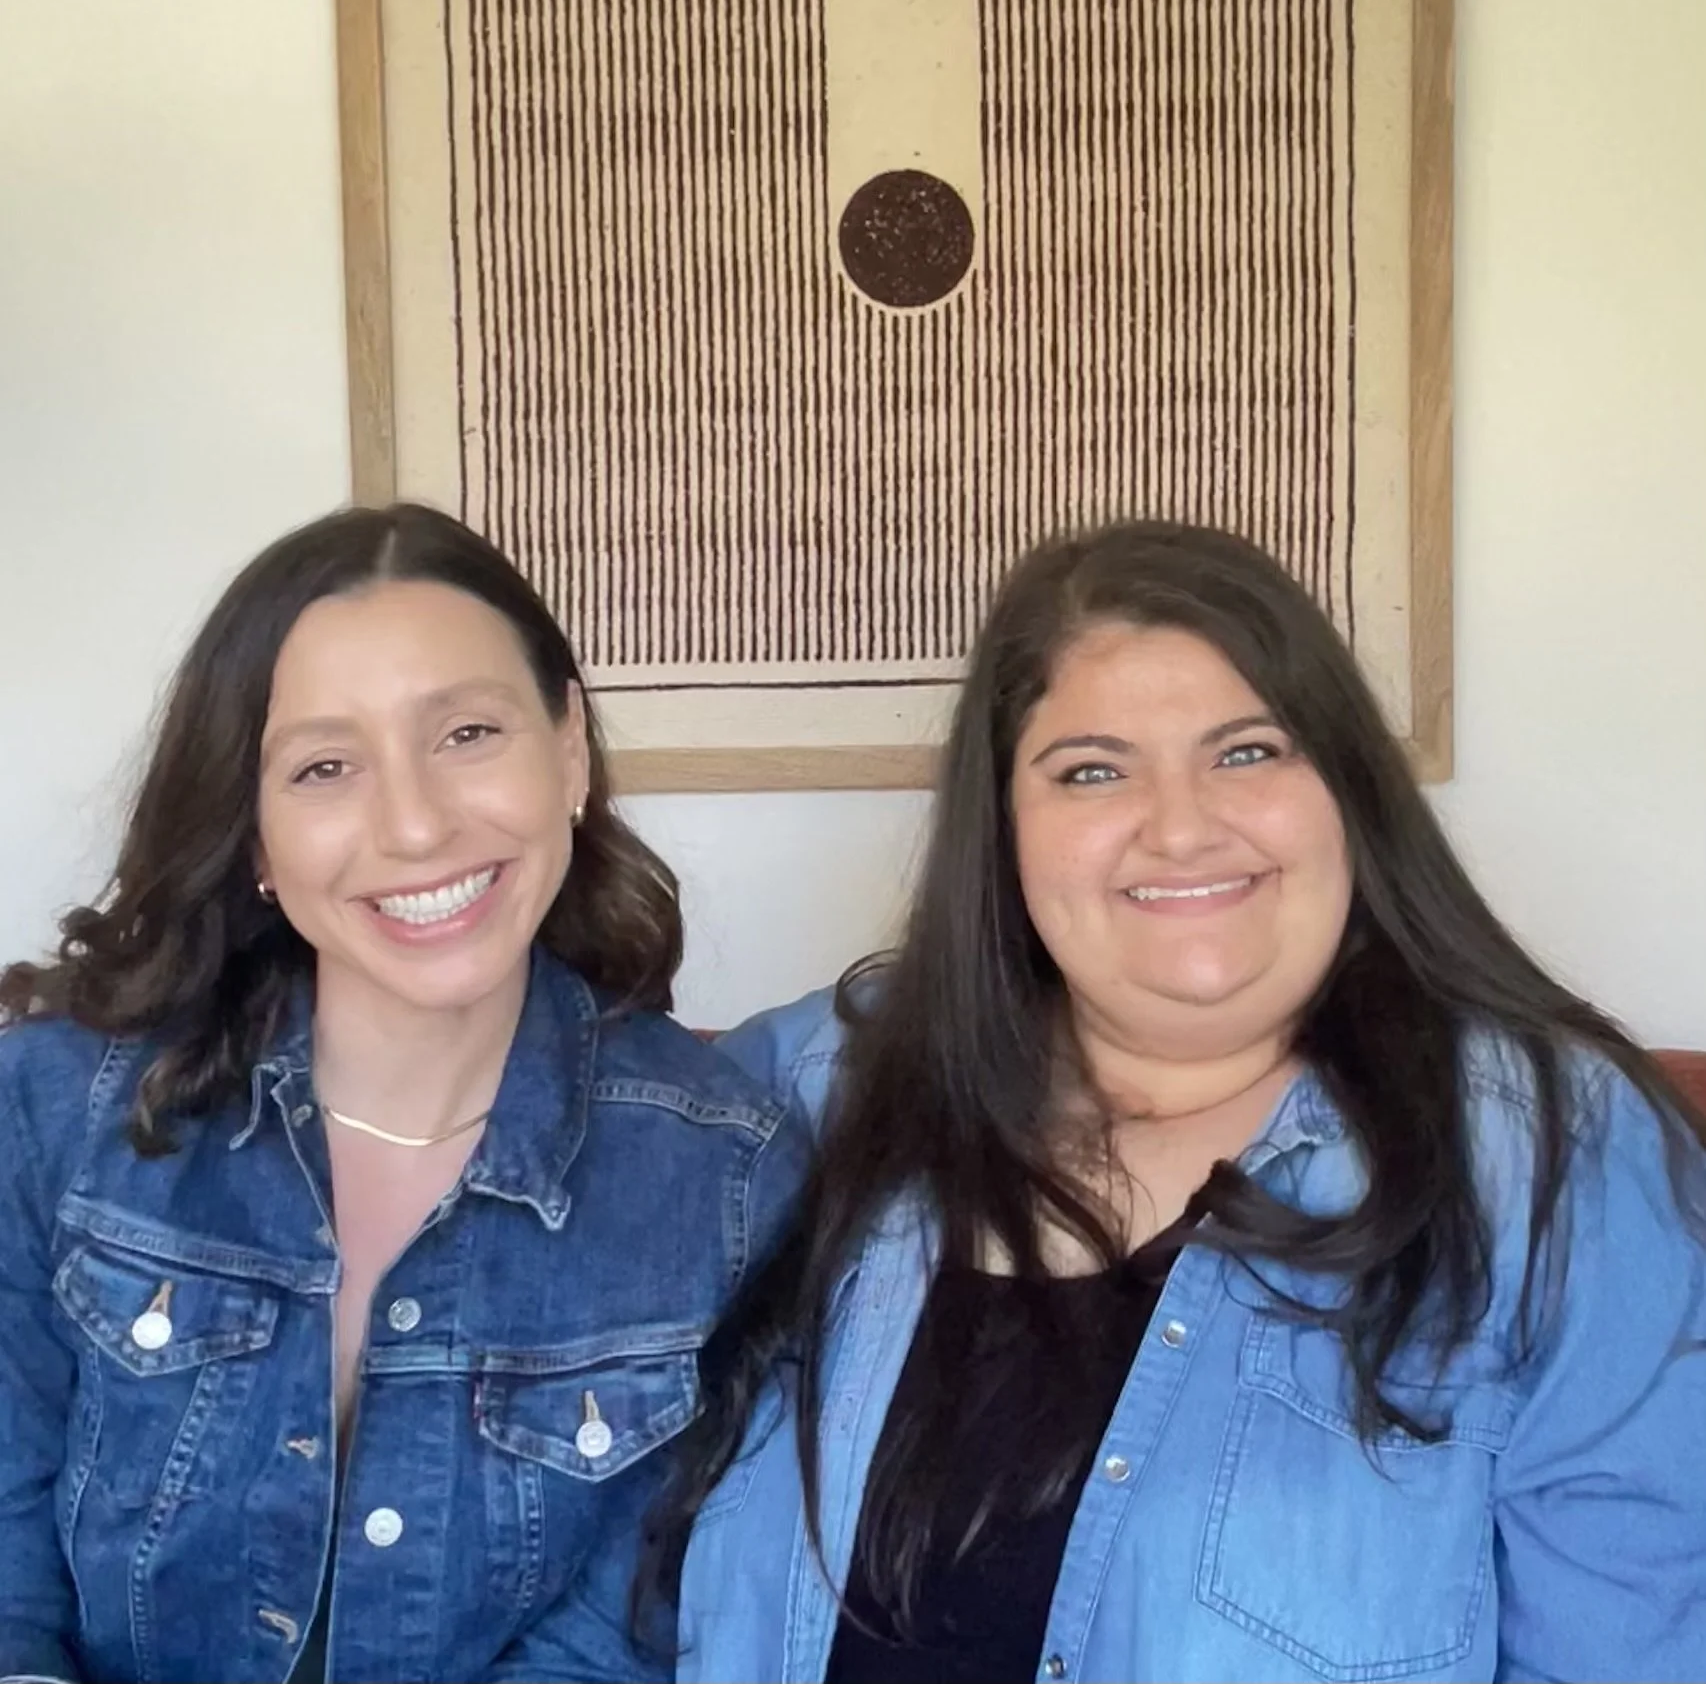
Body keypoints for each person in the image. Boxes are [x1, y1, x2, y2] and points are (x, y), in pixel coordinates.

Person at [659, 519, 1706, 1683]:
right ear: (1003, 828)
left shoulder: (1550, 1150)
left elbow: (1633, 1642)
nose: (1179, 825)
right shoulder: (813, 1088)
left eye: (1246, 752)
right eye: (1091, 770)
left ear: (1347, 792)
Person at [0, 503, 808, 1684]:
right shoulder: (56, 1106)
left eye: (467, 732)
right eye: (324, 767)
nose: (416, 824)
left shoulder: (727, 1177)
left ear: (568, 751)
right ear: (255, 834)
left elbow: (625, 1633)